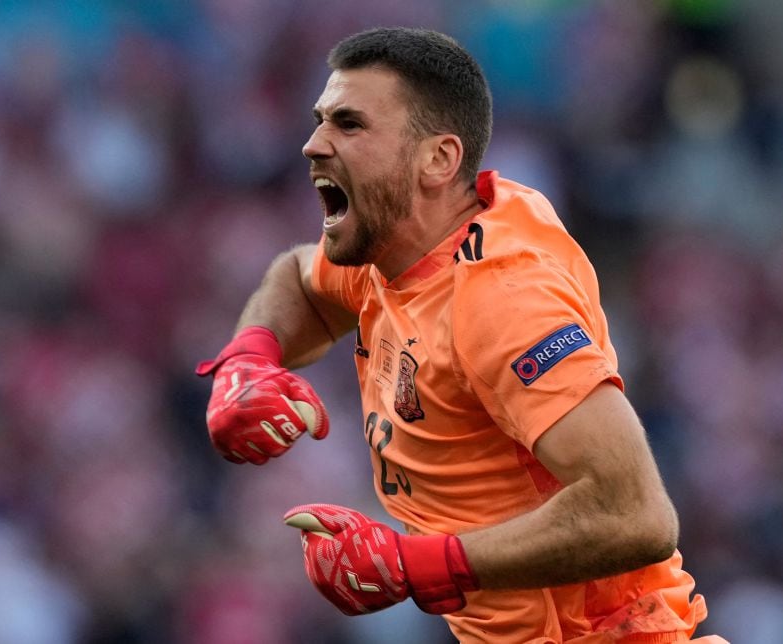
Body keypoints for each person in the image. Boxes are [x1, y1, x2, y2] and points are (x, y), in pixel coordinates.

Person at [196, 27, 727, 644]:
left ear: (438, 159)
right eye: (320, 121)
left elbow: (634, 513)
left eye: (350, 124)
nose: (314, 144)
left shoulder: (502, 301)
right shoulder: (388, 249)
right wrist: (250, 355)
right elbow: (299, 280)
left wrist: (413, 566)